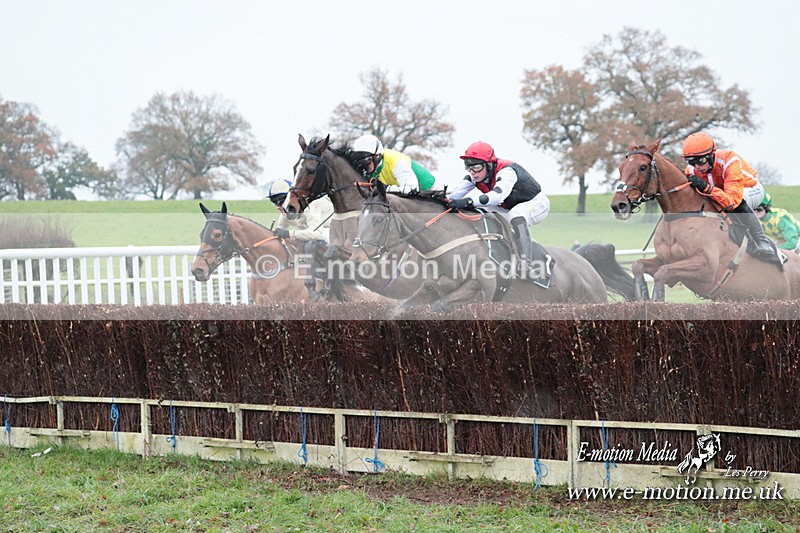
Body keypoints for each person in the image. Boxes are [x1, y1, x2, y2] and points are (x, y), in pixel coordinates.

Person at [446, 141, 551, 274]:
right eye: (469, 168)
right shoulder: (475, 176)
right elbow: (454, 194)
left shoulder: (507, 172)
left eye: (477, 167)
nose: (473, 172)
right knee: (481, 212)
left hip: (536, 204)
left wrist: (468, 201)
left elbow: (497, 197)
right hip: (507, 208)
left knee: (516, 213)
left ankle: (526, 263)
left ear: (489, 165)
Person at [682, 132, 774, 259]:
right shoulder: (691, 170)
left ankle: (761, 240)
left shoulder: (730, 160)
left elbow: (732, 202)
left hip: (750, 189)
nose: (697, 166)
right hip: (722, 192)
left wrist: (707, 188)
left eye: (701, 161)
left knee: (736, 202)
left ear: (711, 155)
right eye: (691, 162)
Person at [351, 134, 439, 192]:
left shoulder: (396, 162)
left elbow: (411, 189)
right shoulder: (369, 168)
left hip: (427, 189)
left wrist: (385, 188)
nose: (364, 167)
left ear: (377, 156)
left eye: (367, 161)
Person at [267, 179, 333, 242]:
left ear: (293, 196)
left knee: (310, 244)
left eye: (280, 201)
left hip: (332, 232)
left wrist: (289, 234)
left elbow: (316, 234)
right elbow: (280, 232)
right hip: (317, 236)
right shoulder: (286, 212)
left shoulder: (311, 205)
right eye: (274, 202)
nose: (277, 207)